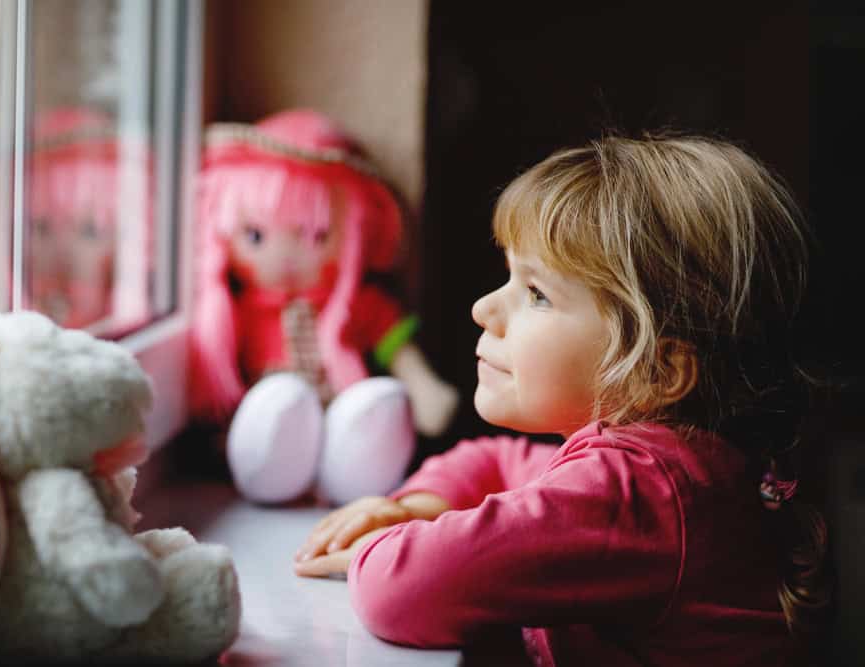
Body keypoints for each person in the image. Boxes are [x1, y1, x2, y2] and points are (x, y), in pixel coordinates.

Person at [293, 134, 831, 665]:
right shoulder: (682, 472)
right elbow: (495, 458)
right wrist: (417, 505)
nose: (484, 308)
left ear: (658, 370)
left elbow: (403, 590)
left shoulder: (638, 492)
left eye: (537, 294)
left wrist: (375, 545)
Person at [189, 109, 458, 505]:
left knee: (378, 406)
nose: (286, 258)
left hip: (341, 426)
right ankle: (270, 469)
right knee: (278, 402)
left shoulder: (353, 306)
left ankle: (355, 474)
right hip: (271, 433)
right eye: (256, 236)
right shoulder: (237, 311)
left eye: (316, 235)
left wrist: (422, 387)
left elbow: (393, 343)